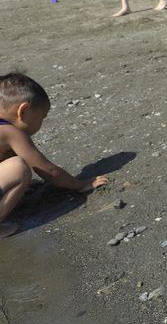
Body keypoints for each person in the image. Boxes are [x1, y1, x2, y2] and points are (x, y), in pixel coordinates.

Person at [0, 73, 108, 238]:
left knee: (13, 162)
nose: (41, 124)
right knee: (19, 169)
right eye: (42, 118)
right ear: (23, 110)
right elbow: (48, 171)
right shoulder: (11, 133)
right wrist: (81, 185)